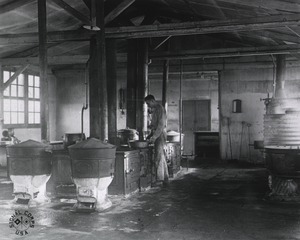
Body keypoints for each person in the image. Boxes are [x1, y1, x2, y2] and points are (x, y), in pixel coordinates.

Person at [144, 94, 169, 187]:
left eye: (148, 103)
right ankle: (165, 178)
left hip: (160, 134)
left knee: (158, 156)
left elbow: (161, 125)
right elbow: (155, 125)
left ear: (152, 101)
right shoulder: (156, 110)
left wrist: (154, 137)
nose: (147, 105)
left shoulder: (160, 109)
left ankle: (159, 180)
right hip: (157, 133)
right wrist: (150, 135)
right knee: (161, 156)